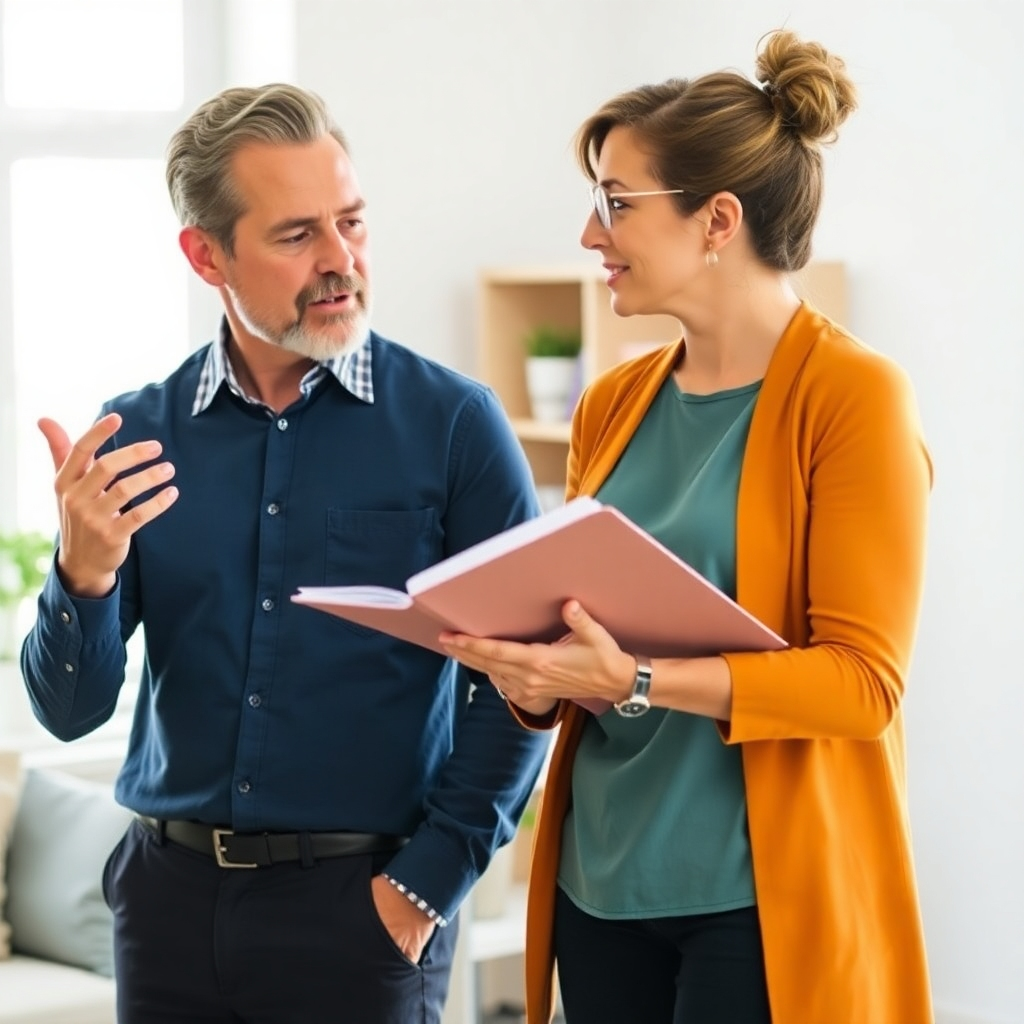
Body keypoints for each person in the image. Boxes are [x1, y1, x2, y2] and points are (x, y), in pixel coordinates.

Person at [20, 83, 549, 1024]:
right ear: (205, 253)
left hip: (364, 913)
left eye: (351, 222)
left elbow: (523, 687)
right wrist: (84, 572)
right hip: (167, 910)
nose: (340, 260)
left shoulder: (456, 428)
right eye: (297, 235)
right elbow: (68, 714)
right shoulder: (136, 435)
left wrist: (422, 890)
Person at [440, 30, 933, 1024]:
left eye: (616, 204)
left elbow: (861, 683)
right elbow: (580, 639)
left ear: (717, 220)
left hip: (754, 902)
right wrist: (528, 675)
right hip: (600, 881)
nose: (590, 235)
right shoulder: (609, 403)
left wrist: (638, 681)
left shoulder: (853, 397)